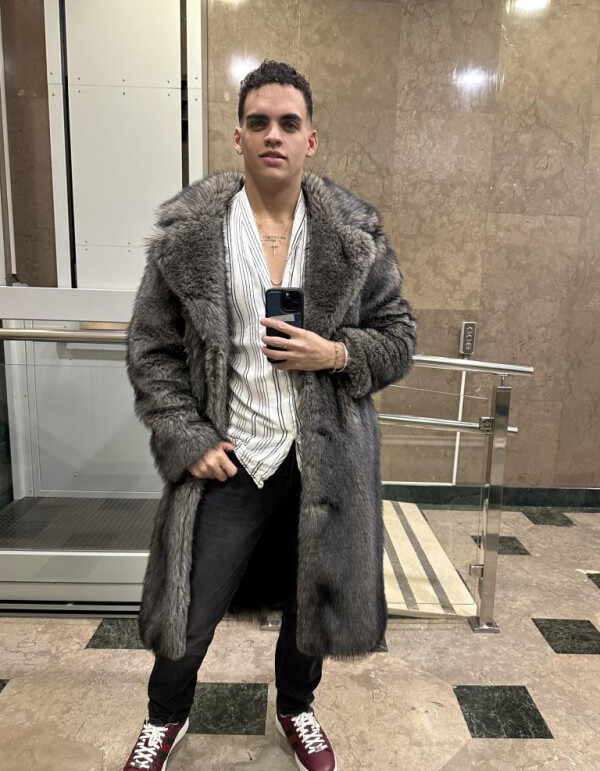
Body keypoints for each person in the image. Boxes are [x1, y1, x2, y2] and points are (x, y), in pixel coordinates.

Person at [122, 59, 417, 771]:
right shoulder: (190, 237)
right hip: (232, 459)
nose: (273, 135)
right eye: (259, 122)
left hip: (326, 461)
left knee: (310, 606)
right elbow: (151, 349)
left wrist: (335, 353)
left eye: (289, 123)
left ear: (311, 139)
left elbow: (399, 337)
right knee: (189, 612)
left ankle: (297, 706)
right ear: (239, 136)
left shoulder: (353, 235)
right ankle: (165, 716)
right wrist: (187, 437)